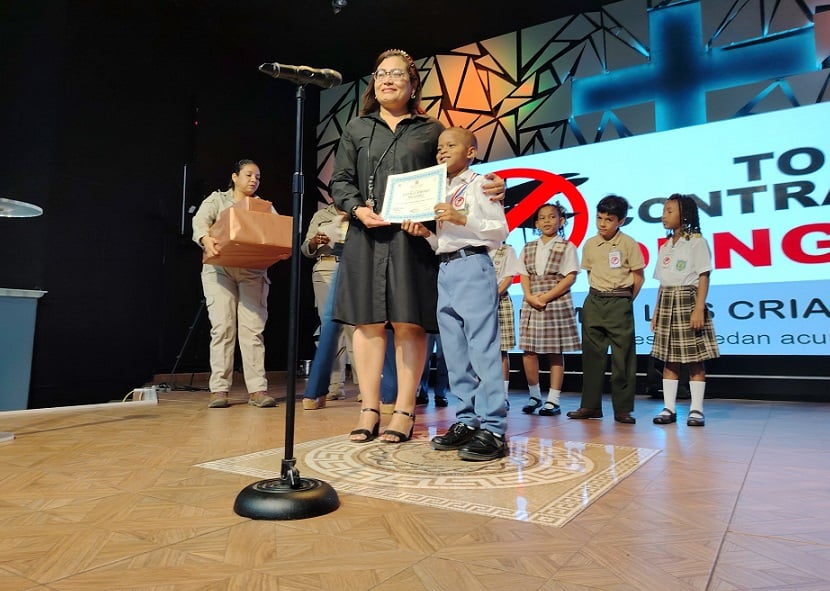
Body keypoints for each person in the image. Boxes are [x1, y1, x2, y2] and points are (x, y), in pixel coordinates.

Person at [330, 49, 503, 444]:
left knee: (410, 321)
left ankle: (405, 410)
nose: (387, 79)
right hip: (366, 235)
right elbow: (340, 180)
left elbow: (456, 169)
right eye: (380, 74)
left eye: (397, 74)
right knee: (366, 322)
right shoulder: (357, 128)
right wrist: (356, 208)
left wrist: (494, 185)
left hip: (413, 238)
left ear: (412, 84)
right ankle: (369, 408)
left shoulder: (429, 130)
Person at [404, 126, 509, 461]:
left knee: (483, 348)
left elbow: (498, 231)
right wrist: (425, 235)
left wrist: (461, 217)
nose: (442, 151)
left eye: (451, 145)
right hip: (446, 268)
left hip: (473, 265)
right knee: (454, 351)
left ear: (471, 152)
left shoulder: (481, 183)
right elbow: (444, 242)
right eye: (439, 148)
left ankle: (493, 426)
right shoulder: (439, 188)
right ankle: (466, 419)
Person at [192, 159, 277, 409]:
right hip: (220, 270)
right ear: (235, 177)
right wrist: (205, 238)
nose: (254, 180)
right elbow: (200, 223)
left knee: (252, 330)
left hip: (252, 272)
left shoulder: (263, 207)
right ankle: (219, 389)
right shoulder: (217, 200)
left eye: (258, 177)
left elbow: (274, 232)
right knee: (223, 328)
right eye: (249, 175)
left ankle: (258, 390)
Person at [567, 194, 645, 423]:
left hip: (619, 301)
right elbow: (591, 273)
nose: (602, 224)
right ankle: (590, 407)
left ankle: (623, 409)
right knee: (591, 357)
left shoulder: (628, 243)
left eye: (609, 219)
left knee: (623, 359)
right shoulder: (590, 244)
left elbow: (638, 277)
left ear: (620, 221)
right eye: (599, 218)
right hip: (594, 301)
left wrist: (625, 300)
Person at [650, 194, 719, 427]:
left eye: (670, 211)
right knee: (669, 360)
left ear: (685, 214)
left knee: (695, 360)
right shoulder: (666, 245)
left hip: (688, 300)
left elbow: (703, 276)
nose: (664, 215)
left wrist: (699, 308)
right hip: (668, 301)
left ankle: (697, 409)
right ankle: (669, 407)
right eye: (664, 211)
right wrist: (657, 312)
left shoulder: (696, 241)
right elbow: (662, 283)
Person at [518, 203, 581, 417]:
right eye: (542, 217)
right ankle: (534, 395)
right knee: (529, 350)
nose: (546, 221)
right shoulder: (528, 247)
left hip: (555, 300)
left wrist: (545, 297)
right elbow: (524, 274)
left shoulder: (567, 247)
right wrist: (528, 296)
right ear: (536, 223)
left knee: (555, 351)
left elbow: (570, 277)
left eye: (552, 217)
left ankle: (553, 399)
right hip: (531, 299)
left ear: (561, 221)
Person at [300, 203, 358, 409]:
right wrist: (316, 241)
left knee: (355, 327)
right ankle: (334, 386)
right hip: (325, 266)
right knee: (331, 327)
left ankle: (363, 386)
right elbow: (305, 248)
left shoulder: (358, 209)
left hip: (354, 267)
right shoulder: (320, 215)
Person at [490, 241, 521, 409]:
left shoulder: (508, 250)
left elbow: (509, 278)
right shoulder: (478, 249)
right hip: (477, 302)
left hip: (500, 300)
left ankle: (504, 396)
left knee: (501, 350)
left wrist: (493, 295)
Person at [416, 333, 449, 407]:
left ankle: (440, 394)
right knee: (423, 358)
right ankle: (422, 392)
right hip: (426, 326)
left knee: (443, 359)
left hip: (442, 326)